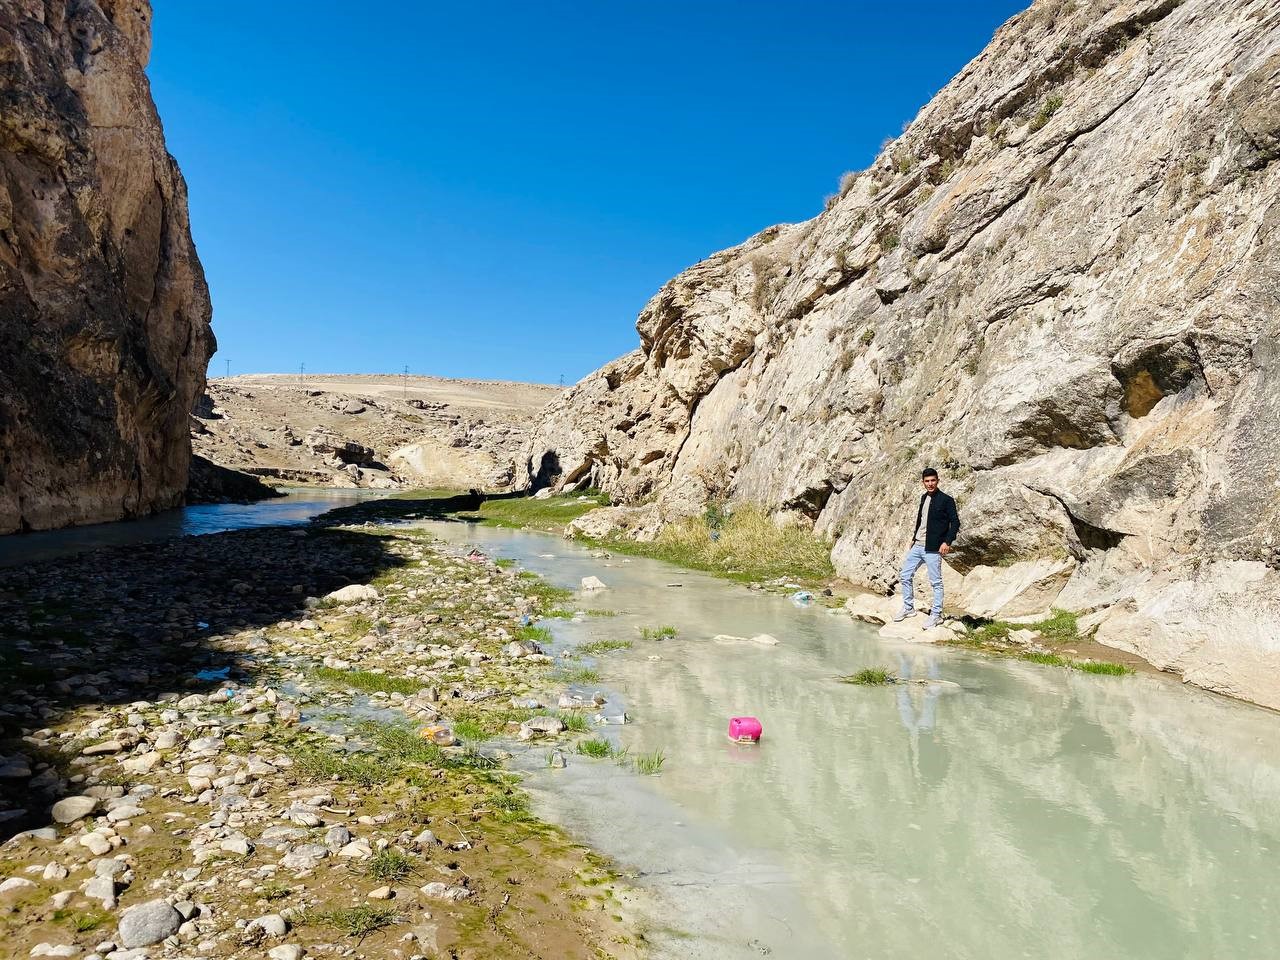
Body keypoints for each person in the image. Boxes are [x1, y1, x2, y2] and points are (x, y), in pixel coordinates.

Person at [892, 467, 960, 629]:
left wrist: (947, 542)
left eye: (933, 480)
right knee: (905, 575)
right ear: (923, 482)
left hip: (933, 548)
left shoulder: (946, 500)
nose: (930, 484)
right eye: (927, 481)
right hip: (918, 545)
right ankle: (909, 608)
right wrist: (914, 538)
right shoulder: (924, 498)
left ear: (938, 480)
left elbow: (955, 522)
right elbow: (921, 520)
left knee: (936, 582)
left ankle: (936, 615)